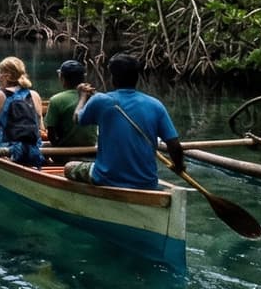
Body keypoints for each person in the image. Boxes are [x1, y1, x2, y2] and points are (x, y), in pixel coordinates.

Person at [65, 53, 184, 190]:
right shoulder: (155, 104)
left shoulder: (100, 100)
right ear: (137, 77)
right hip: (146, 182)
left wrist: (82, 97)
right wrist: (179, 166)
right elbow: (174, 145)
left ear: (113, 78)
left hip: (106, 178)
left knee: (69, 167)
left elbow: (77, 118)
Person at [0, 56, 45, 166]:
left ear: (7, 76)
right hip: (32, 150)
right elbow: (41, 129)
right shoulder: (34, 95)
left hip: (7, 151)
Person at [45, 61, 98, 150]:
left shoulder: (56, 99)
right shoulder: (96, 97)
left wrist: (57, 146)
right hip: (92, 149)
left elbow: (51, 133)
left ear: (62, 78)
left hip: (65, 152)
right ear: (84, 77)